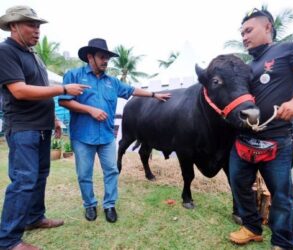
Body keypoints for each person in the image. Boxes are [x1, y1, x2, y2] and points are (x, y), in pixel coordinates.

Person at [228, 8, 293, 250]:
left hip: (277, 139)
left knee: (281, 196)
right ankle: (251, 228)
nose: (244, 37)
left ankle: (282, 242)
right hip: (244, 138)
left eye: (249, 30)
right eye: (241, 33)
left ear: (268, 27)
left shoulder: (288, 50)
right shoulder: (248, 65)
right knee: (239, 185)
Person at [0, 5, 88, 250]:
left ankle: (34, 218)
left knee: (39, 176)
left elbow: (39, 90)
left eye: (38, 25)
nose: (37, 30)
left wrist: (54, 120)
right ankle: (7, 240)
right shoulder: (6, 52)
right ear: (14, 25)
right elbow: (19, 90)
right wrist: (63, 89)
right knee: (23, 180)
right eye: (31, 25)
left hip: (41, 126)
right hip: (22, 128)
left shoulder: (33, 54)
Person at [58, 38, 171, 223]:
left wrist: (153, 95)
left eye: (107, 58)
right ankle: (90, 205)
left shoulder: (112, 82)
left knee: (111, 171)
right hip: (82, 136)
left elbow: (132, 90)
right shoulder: (74, 76)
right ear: (90, 57)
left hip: (106, 136)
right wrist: (90, 110)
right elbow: (63, 101)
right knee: (84, 174)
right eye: (102, 57)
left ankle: (109, 205)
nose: (105, 61)